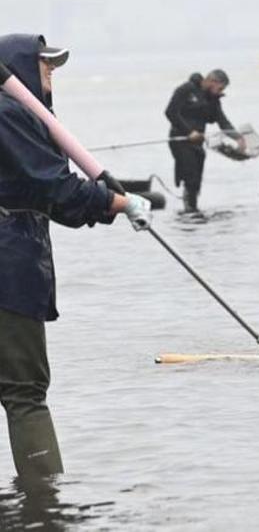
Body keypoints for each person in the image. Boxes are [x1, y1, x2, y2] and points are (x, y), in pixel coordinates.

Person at [0, 33, 150, 481]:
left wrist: (104, 198)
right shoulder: (9, 114)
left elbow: (56, 195)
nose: (50, 75)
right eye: (44, 66)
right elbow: (55, 189)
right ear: (20, 68)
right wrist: (119, 204)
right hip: (8, 265)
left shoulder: (19, 116)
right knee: (25, 392)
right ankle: (44, 504)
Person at [164, 69, 241, 212]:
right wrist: (189, 131)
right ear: (212, 81)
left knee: (196, 181)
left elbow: (222, 121)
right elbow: (170, 112)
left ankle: (192, 209)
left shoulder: (213, 99)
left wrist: (238, 138)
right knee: (190, 177)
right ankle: (190, 213)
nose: (220, 92)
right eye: (220, 88)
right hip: (180, 139)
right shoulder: (186, 89)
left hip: (198, 143)